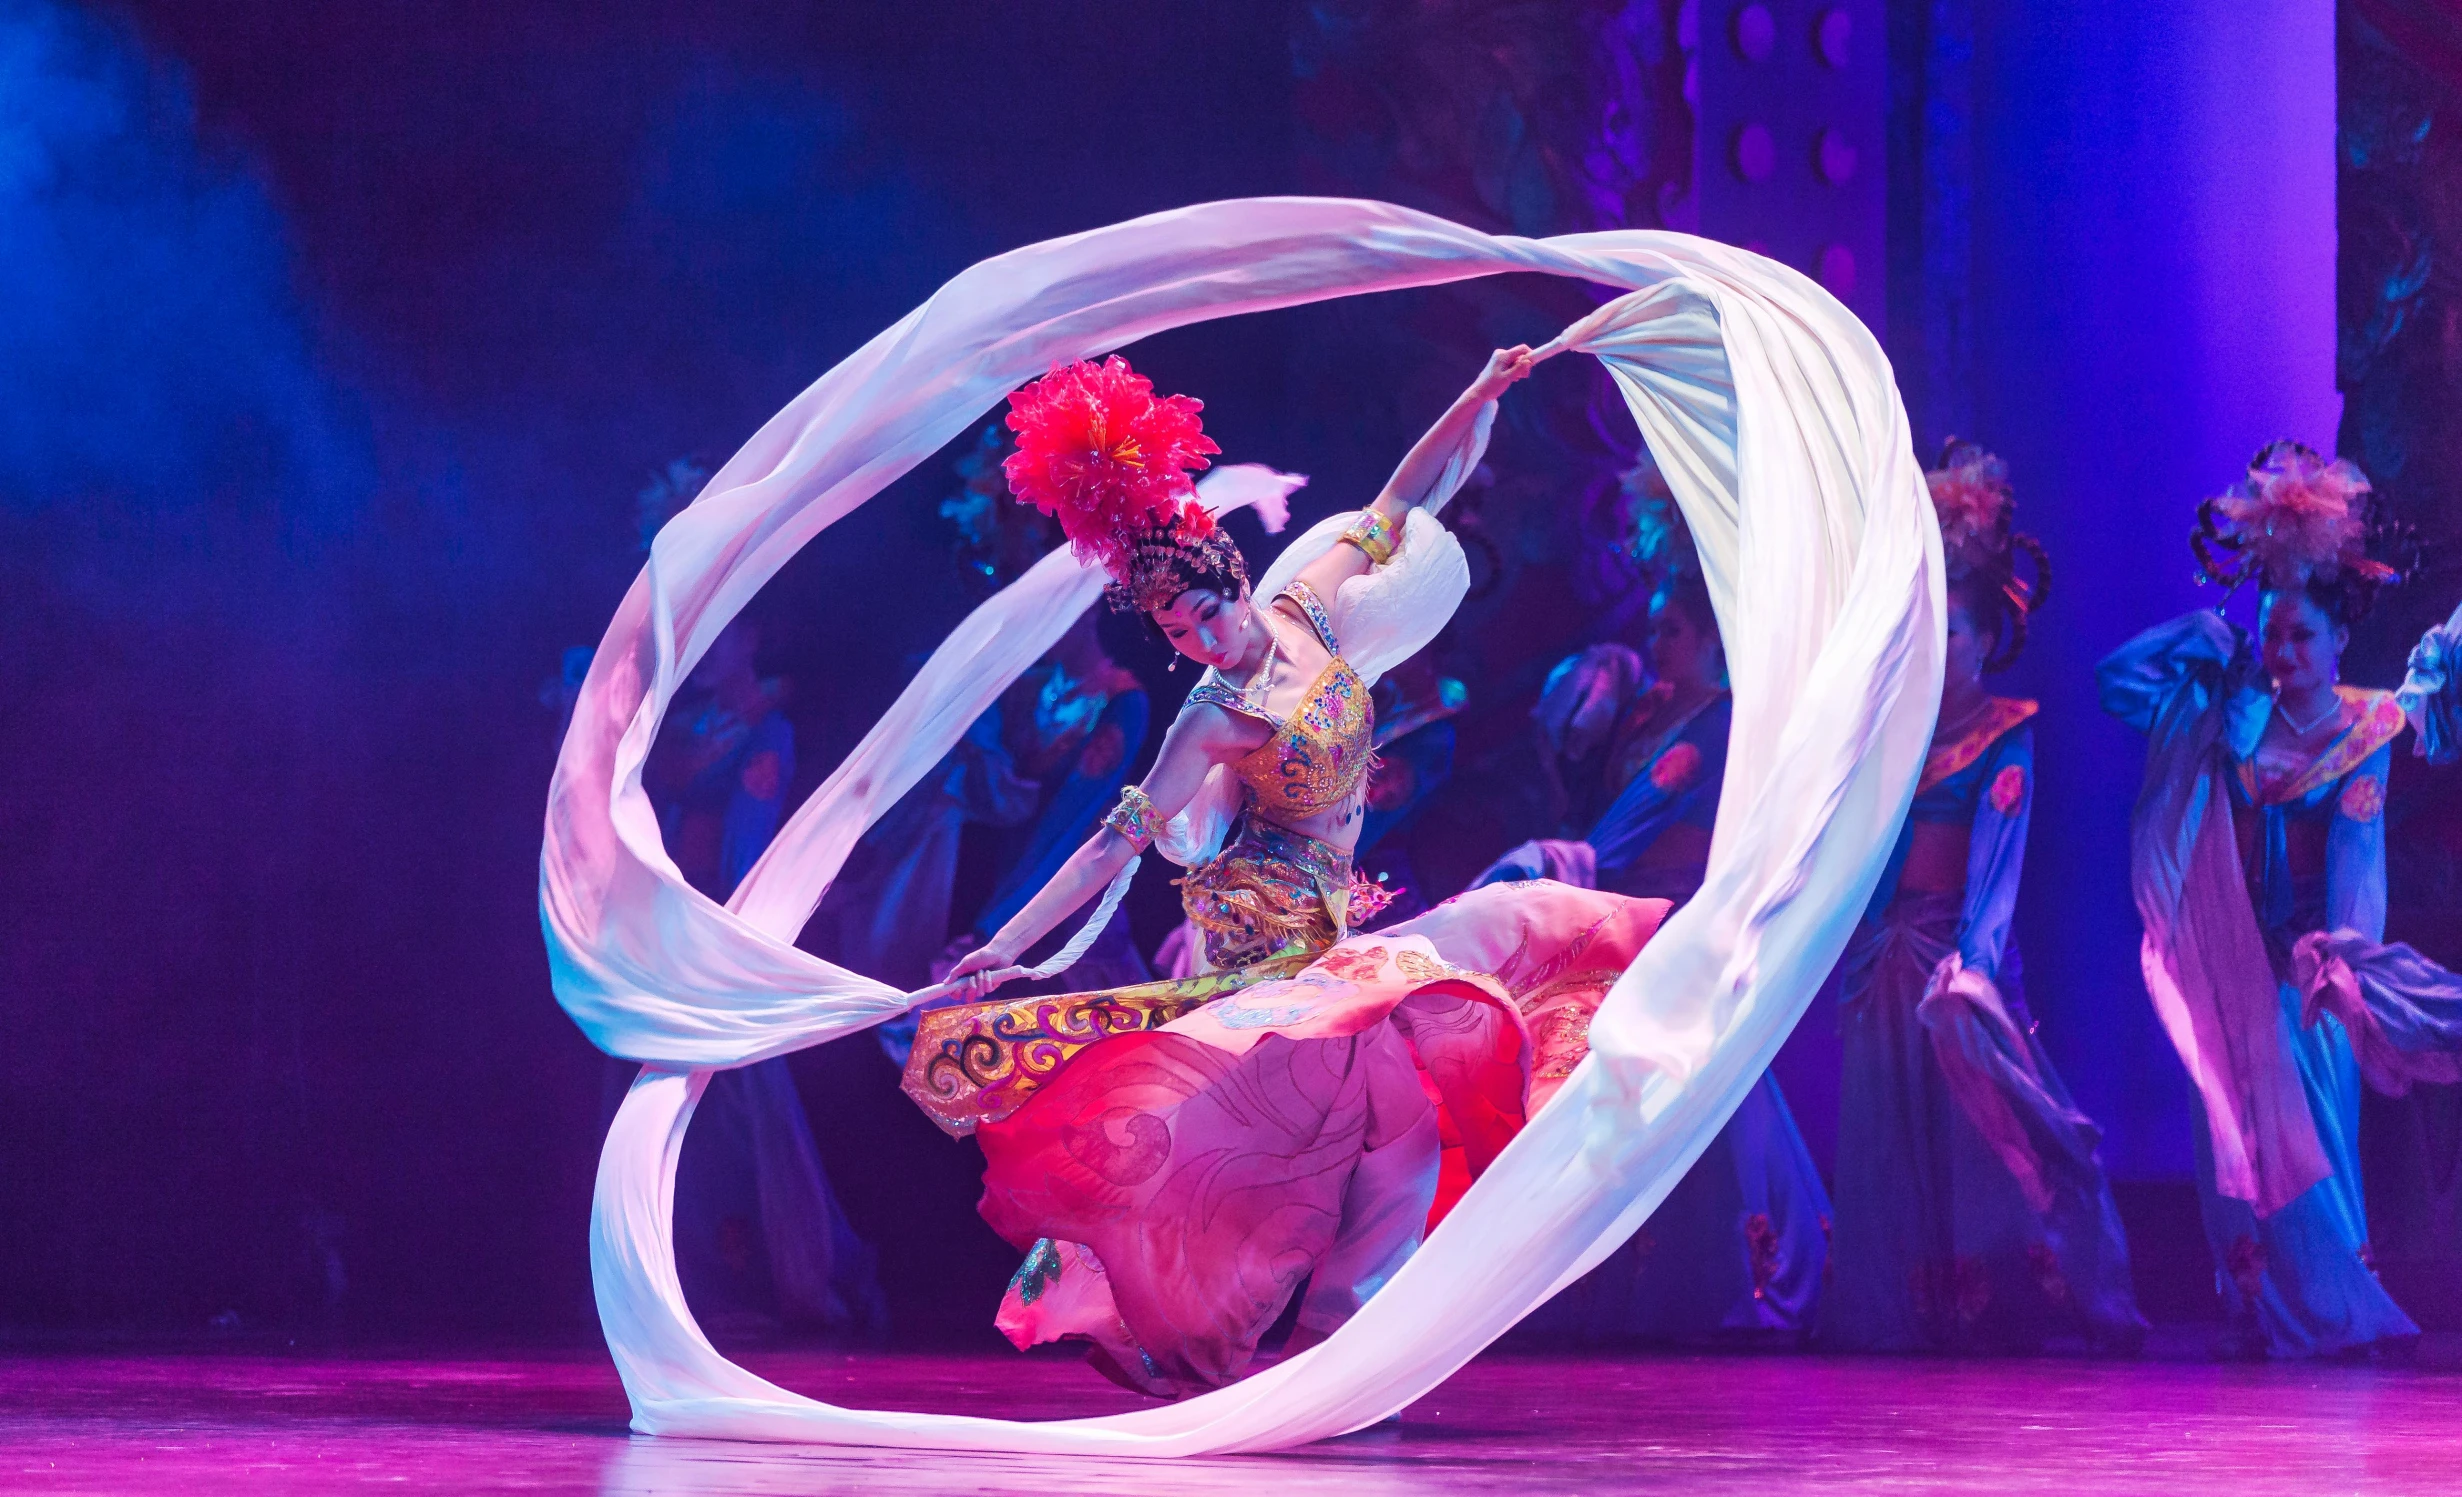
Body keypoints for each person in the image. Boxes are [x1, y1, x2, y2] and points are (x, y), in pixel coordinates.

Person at [898, 349, 1681, 1396]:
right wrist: (1004, 946)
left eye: (1202, 617)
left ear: (1229, 577)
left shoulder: (1307, 608)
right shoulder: (1211, 714)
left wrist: (1480, 390)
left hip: (1325, 930)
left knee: (1408, 1098)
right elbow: (1113, 840)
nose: (1195, 641)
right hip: (1266, 941)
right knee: (1332, 1141)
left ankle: (1331, 1355)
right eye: (1173, 633)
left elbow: (1401, 498)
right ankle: (1302, 1350)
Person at [2102, 442, 2462, 1358]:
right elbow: (2117, 684)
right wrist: (2203, 642)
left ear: (2340, 637)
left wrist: (2341, 960)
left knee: (2312, 1146)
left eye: (2302, 634)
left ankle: (2339, 1309)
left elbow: (2359, 850)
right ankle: (2262, 1306)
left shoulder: (2364, 726)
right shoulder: (2235, 716)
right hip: (2232, 967)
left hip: (2309, 971)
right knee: (2234, 1146)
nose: (2283, 651)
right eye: (2271, 632)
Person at [1823, 442, 2144, 1354]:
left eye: (1952, 635)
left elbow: (1999, 858)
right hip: (1885, 956)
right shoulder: (1890, 734)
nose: (1939, 651)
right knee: (1889, 1128)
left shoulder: (2007, 732)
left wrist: (1976, 961)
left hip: (1953, 954)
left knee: (1982, 1128)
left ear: (1985, 638)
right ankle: (1901, 1304)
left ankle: (2005, 1300)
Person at [1500, 555, 1832, 1344]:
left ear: (1711, 638)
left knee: (1701, 1087)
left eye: (1673, 629)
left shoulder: (1719, 720)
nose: (1657, 641)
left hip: (1675, 914)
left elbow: (1645, 809)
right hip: (1626, 914)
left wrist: (1570, 858)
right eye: (1653, 627)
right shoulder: (1648, 711)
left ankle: (1737, 1275)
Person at [637, 617, 885, 1342]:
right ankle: (690, 1279)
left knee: (745, 1101)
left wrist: (734, 939)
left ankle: (782, 1275)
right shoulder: (682, 726)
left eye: (721, 634)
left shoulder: (767, 726)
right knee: (688, 1111)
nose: (705, 648)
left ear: (750, 637)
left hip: (714, 930)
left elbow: (748, 843)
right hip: (670, 930)